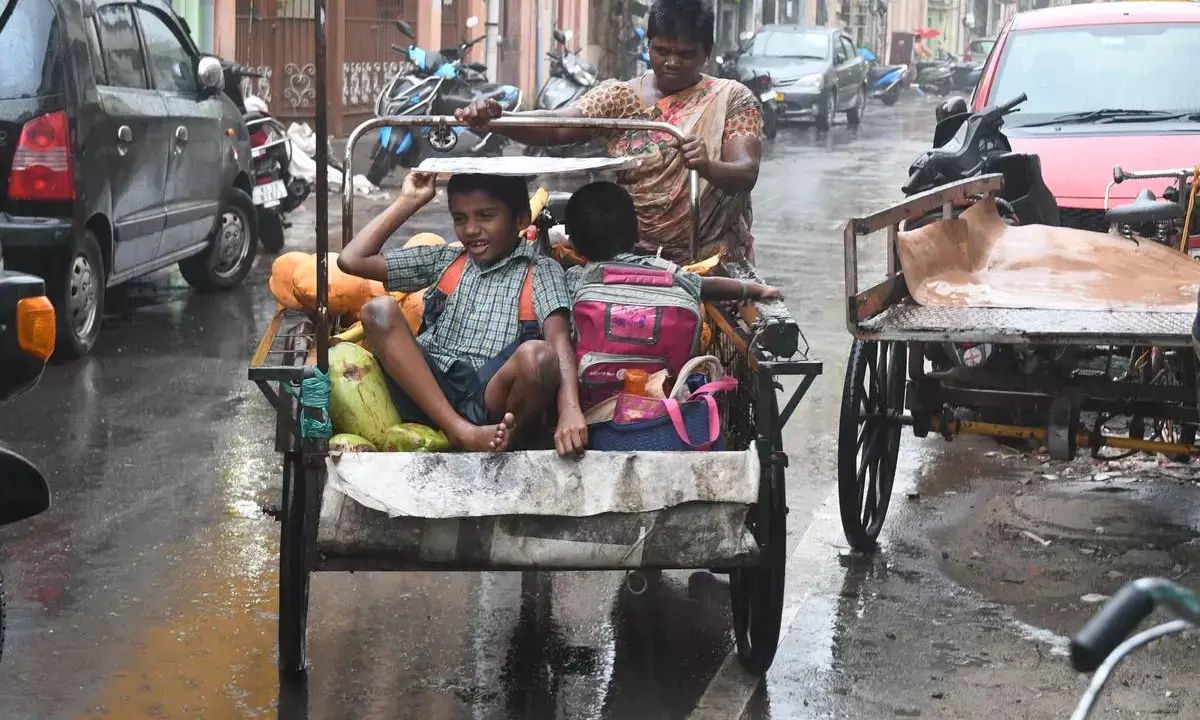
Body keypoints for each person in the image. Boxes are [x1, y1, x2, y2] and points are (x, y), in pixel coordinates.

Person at [455, 0, 763, 265]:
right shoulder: (619, 97)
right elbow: (559, 126)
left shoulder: (732, 97)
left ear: (706, 52)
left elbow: (745, 171)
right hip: (629, 254)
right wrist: (497, 118)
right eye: (661, 50)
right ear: (648, 45)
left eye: (685, 54)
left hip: (707, 257)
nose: (671, 62)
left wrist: (709, 167)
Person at [337, 171, 588, 457]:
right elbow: (351, 259)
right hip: (428, 386)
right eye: (460, 218)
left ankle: (505, 441)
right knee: (378, 310)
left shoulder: (541, 270)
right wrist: (409, 200)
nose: (470, 229)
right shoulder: (447, 259)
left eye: (485, 216)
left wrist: (570, 410)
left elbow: (559, 342)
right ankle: (459, 432)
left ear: (520, 220)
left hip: (490, 398)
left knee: (539, 356)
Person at [563, 181, 783, 303]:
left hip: (593, 372)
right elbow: (707, 287)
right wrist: (753, 289)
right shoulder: (661, 272)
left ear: (573, 245)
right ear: (638, 232)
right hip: (664, 372)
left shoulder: (575, 280)